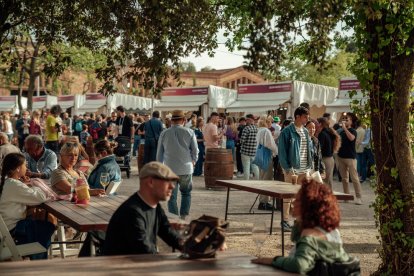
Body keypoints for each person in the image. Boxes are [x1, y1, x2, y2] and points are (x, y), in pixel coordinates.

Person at [252, 178, 353, 275]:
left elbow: (300, 264)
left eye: (298, 200)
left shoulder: (312, 233)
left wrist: (274, 260)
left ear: (308, 205)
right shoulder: (331, 230)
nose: (293, 202)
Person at [103, 162, 183, 255]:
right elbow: (144, 251)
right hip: (121, 267)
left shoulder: (155, 206)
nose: (172, 186)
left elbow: (169, 234)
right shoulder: (132, 212)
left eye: (173, 182)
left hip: (138, 265)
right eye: (167, 181)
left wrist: (190, 246)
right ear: (151, 182)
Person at [0, 152, 55, 259]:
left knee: (42, 218)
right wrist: (32, 185)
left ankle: (37, 259)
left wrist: (25, 185)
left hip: (8, 228)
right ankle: (38, 261)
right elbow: (40, 197)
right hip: (12, 232)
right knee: (47, 226)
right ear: (17, 169)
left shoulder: (9, 183)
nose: (26, 167)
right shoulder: (14, 184)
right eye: (25, 165)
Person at [156, 110, 198, 220]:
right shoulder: (190, 132)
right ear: (184, 120)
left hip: (170, 169)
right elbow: (195, 150)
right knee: (186, 193)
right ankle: (183, 217)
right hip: (186, 167)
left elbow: (159, 153)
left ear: (172, 121)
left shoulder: (164, 133)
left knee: (171, 197)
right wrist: (194, 161)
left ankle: (174, 219)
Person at [278, 106, 312, 231]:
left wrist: (310, 166)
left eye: (307, 117)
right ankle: (285, 221)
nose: (307, 119)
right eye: (305, 117)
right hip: (292, 170)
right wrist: (287, 168)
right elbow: (282, 153)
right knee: (288, 196)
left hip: (305, 169)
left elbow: (308, 150)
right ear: (297, 116)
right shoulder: (287, 132)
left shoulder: (306, 131)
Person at [337, 113, 363, 205]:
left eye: (347, 119)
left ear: (351, 122)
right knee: (344, 179)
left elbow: (352, 138)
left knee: (354, 178)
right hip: (341, 157)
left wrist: (344, 128)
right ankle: (346, 197)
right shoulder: (341, 132)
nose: (345, 120)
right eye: (343, 119)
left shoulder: (353, 131)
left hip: (351, 158)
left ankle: (359, 197)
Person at [255, 116, 278, 210]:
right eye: (270, 121)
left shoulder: (260, 130)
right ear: (267, 122)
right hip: (267, 156)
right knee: (267, 179)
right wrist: (276, 151)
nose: (271, 123)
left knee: (262, 178)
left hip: (260, 156)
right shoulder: (266, 131)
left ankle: (262, 200)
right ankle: (264, 202)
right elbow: (270, 145)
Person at [317, 117, 341, 188]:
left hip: (325, 160)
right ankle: (330, 197)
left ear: (320, 124)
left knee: (324, 182)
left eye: (317, 123)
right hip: (330, 159)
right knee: (329, 181)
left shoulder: (322, 134)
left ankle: (327, 198)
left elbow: (319, 148)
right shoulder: (330, 132)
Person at [240, 114, 259, 181]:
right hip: (254, 151)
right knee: (255, 167)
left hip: (245, 151)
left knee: (246, 168)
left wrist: (240, 141)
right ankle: (258, 181)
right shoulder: (257, 128)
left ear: (249, 120)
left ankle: (246, 182)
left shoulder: (246, 128)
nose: (246, 121)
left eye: (246, 119)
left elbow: (242, 140)